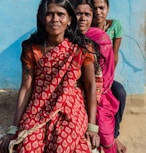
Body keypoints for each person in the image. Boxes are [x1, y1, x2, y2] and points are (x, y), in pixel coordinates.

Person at [0, 0, 101, 152]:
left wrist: (92, 127)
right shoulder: (31, 48)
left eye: (61, 14)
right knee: (26, 146)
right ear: (41, 18)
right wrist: (14, 127)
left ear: (69, 20)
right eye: (49, 14)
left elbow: (90, 86)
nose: (55, 19)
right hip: (38, 108)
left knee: (62, 145)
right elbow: (26, 87)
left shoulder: (81, 48)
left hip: (69, 108)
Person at [75, 0, 120, 153]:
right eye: (78, 14)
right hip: (74, 93)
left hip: (100, 91)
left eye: (87, 14)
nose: (82, 18)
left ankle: (115, 137)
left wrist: (95, 96)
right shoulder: (66, 36)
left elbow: (107, 70)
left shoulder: (100, 37)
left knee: (105, 133)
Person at [92, 0, 127, 152]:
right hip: (90, 76)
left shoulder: (115, 26)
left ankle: (114, 134)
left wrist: (106, 82)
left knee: (120, 92)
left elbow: (115, 56)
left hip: (107, 77)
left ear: (108, 8)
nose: (98, 11)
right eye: (94, 8)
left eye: (102, 7)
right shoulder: (86, 26)